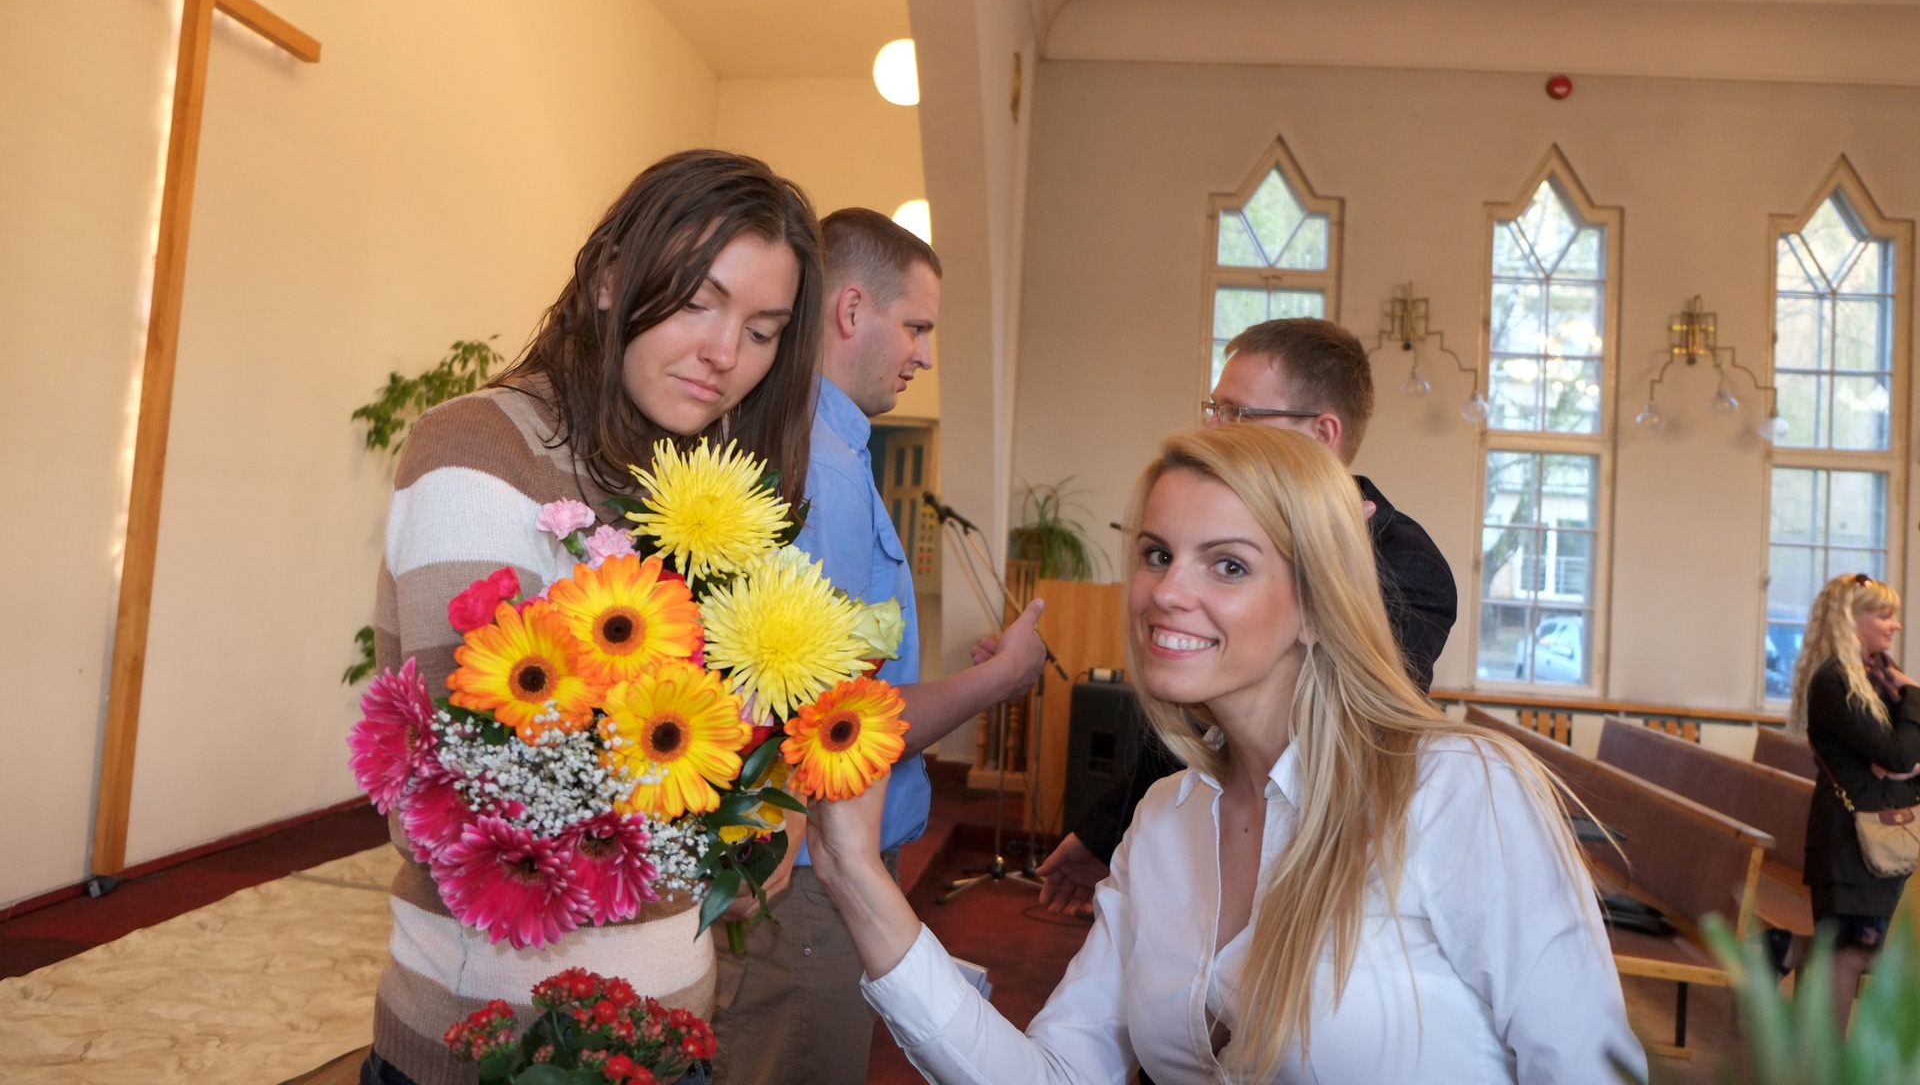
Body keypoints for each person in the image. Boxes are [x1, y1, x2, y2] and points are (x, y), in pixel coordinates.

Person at [807, 427, 1642, 1083]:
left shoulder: (1455, 791)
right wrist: (856, 875)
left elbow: (1587, 1068)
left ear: (1318, 605)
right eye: (1157, 554)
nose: (1168, 592)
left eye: (1229, 565)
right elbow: (1056, 1074)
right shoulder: (1165, 821)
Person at [362, 150, 826, 1085]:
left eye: (762, 330)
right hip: (493, 1044)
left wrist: (775, 801)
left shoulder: (697, 485)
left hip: (668, 1037)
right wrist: (735, 826)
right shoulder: (481, 448)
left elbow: (758, 743)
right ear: (612, 277)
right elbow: (486, 791)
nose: (726, 353)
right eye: (697, 301)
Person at [712, 207, 1048, 1085]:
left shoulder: (826, 445)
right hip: (813, 866)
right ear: (852, 308)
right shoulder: (822, 465)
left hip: (824, 857)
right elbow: (834, 725)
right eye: (917, 327)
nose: (926, 356)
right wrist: (1003, 679)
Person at [1041, 317, 1457, 913]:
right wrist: (1109, 833)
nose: (1212, 428)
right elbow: (1199, 722)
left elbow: (1335, 727)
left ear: (1321, 433)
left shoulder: (1401, 561)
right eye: (1214, 409)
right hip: (1197, 832)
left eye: (1237, 414)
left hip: (1321, 867)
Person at [1787, 571, 1920, 1033]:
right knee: (1850, 952)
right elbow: (1898, 754)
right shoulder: (1837, 681)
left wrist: (1903, 760)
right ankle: (1828, 1064)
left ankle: (1785, 949)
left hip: (1876, 832)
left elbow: (1901, 756)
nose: (1895, 625)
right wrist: (1915, 696)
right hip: (1851, 839)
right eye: (1884, 615)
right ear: (1850, 619)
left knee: (1855, 949)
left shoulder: (1876, 676)